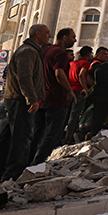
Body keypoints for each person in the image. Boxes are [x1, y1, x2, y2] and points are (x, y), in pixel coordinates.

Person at [0, 24, 49, 183]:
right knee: (22, 137)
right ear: (38, 34)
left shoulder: (32, 51)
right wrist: (32, 98)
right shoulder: (28, 51)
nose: (49, 35)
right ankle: (13, 175)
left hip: (16, 99)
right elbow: (24, 76)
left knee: (7, 137)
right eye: (47, 33)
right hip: (20, 100)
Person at [31, 28, 76, 165]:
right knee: (53, 134)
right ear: (64, 38)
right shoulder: (60, 52)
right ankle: (37, 163)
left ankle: (28, 161)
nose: (75, 40)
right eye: (73, 37)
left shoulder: (45, 51)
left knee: (37, 133)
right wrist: (70, 91)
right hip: (56, 99)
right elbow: (59, 73)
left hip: (41, 98)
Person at [64, 46, 93, 144]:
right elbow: (81, 75)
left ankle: (63, 136)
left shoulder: (72, 63)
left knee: (67, 114)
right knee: (74, 115)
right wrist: (85, 88)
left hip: (69, 90)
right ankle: (69, 139)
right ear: (89, 54)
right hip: (78, 91)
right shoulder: (85, 63)